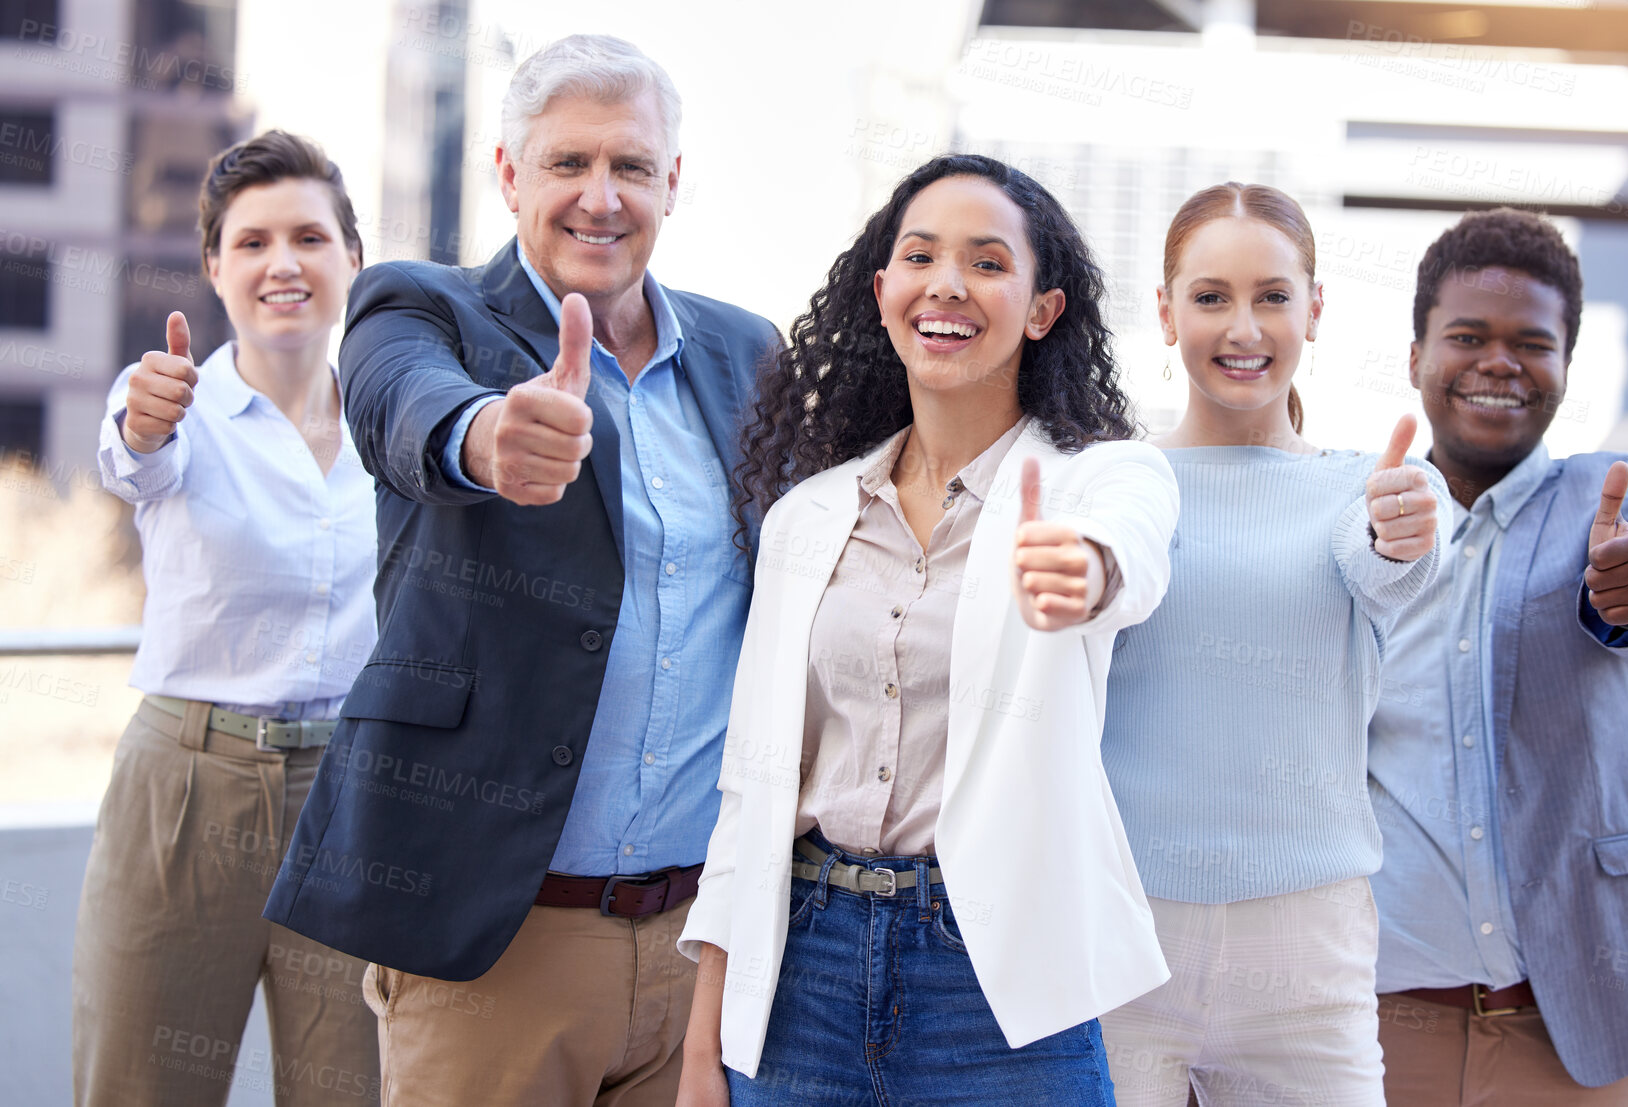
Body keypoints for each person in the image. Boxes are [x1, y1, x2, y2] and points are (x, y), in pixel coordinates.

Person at [261, 35, 779, 1106]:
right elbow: (404, 407)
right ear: (509, 175)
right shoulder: (421, 308)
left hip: (702, 947)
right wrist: (491, 436)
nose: (602, 196)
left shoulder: (748, 354)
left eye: (631, 166)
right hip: (496, 943)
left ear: (672, 183)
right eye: (567, 163)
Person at [672, 154, 1181, 1106]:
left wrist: (1084, 570)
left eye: (989, 263)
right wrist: (706, 1043)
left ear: (1042, 309)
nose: (948, 283)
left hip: (992, 975)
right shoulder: (808, 518)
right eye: (921, 256)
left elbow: (1132, 554)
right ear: (883, 291)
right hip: (802, 965)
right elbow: (752, 787)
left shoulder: (1098, 479)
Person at [1367, 207, 1628, 1104]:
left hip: (1579, 1010)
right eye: (1465, 335)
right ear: (1416, 356)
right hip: (1385, 1008)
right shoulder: (1365, 520)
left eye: (1530, 342)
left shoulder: (1620, 493)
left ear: (1565, 367)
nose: (1497, 361)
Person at [1096, 182, 1444, 1107]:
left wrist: (1399, 526)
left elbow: (1386, 560)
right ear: (1165, 313)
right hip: (1123, 935)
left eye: (1274, 296)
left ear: (1316, 310)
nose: (1243, 327)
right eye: (1210, 297)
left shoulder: (1367, 490)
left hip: (1308, 959)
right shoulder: (1114, 483)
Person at [75, 130, 380, 1106]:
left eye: (309, 237)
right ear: (214, 267)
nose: (282, 263)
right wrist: (143, 418)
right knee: (142, 1085)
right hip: (186, 795)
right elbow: (133, 455)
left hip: (350, 798)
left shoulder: (393, 426)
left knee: (353, 1090)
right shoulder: (168, 400)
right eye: (251, 243)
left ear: (351, 261)